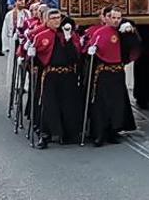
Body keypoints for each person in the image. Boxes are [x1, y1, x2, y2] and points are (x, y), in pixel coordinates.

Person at [28, 9, 83, 148]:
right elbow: (34, 60)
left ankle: (68, 134)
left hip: (68, 74)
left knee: (69, 104)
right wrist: (31, 55)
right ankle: (45, 135)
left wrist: (69, 39)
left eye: (58, 18)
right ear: (46, 20)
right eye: (53, 18)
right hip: (51, 74)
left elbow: (76, 56)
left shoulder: (69, 35)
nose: (56, 21)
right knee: (48, 105)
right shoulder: (41, 36)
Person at [84, 8, 138, 147]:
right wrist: (91, 52)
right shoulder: (99, 32)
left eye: (118, 18)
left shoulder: (123, 32)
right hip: (103, 72)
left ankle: (114, 131)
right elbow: (91, 47)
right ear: (107, 18)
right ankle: (99, 133)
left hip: (118, 72)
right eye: (113, 18)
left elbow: (133, 47)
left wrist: (130, 34)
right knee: (101, 104)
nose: (116, 21)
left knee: (117, 103)